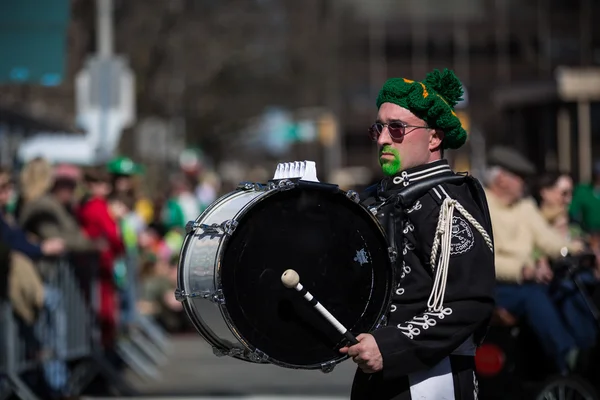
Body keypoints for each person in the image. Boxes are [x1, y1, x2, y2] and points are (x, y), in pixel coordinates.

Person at [344, 69, 496, 400]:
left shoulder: (447, 205)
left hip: (431, 378)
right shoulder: (376, 199)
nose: (383, 139)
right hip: (377, 376)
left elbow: (470, 301)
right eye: (378, 128)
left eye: (396, 128)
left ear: (433, 138)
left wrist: (389, 345)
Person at [484, 146, 585, 374]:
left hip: (527, 281)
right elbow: (483, 259)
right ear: (501, 179)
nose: (524, 183)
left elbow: (547, 239)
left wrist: (578, 249)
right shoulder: (481, 205)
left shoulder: (524, 205)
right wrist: (523, 270)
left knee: (569, 286)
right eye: (520, 177)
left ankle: (586, 350)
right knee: (533, 295)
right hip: (498, 286)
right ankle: (566, 357)